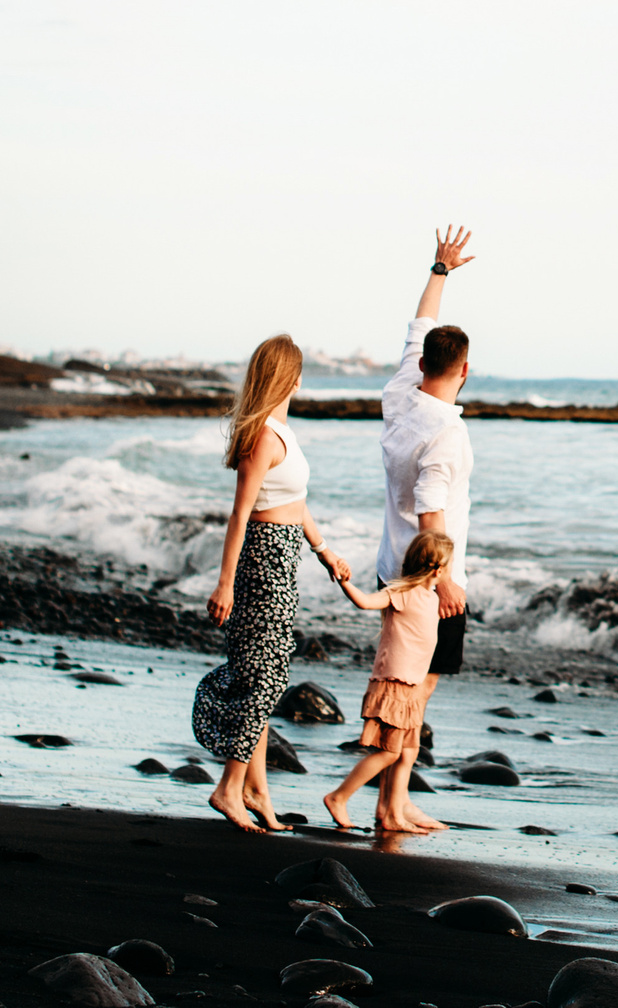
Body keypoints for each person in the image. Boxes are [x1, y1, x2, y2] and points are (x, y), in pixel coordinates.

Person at [193, 333, 352, 835]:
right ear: (293, 377)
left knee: (263, 667)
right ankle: (229, 787)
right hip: (262, 559)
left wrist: (325, 550)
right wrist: (225, 585)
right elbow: (240, 514)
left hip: (285, 554)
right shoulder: (263, 436)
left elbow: (296, 500)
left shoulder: (282, 432)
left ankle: (258, 790)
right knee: (265, 677)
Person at [372, 225, 477, 829]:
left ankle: (396, 800)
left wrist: (439, 271)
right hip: (430, 578)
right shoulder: (446, 430)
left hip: (394, 564)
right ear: (465, 368)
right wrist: (445, 585)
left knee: (410, 687)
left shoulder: (400, 393)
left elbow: (419, 328)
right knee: (418, 692)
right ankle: (391, 804)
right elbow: (433, 512)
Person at [321, 529, 456, 833]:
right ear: (436, 568)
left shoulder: (432, 599)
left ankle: (392, 815)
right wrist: (344, 581)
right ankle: (338, 796)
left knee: (405, 750)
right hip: (392, 684)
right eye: (448, 565)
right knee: (388, 751)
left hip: (411, 687)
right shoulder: (402, 593)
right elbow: (365, 602)